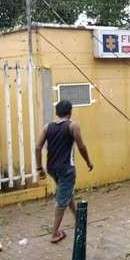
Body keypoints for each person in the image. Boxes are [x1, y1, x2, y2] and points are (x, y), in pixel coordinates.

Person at [35, 100, 94, 243]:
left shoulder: (47, 127)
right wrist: (88, 161)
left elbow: (38, 148)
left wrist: (39, 168)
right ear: (70, 112)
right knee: (62, 200)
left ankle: (78, 219)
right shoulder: (73, 126)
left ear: (57, 112)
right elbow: (81, 147)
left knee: (66, 193)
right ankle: (55, 233)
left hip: (52, 169)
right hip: (66, 169)